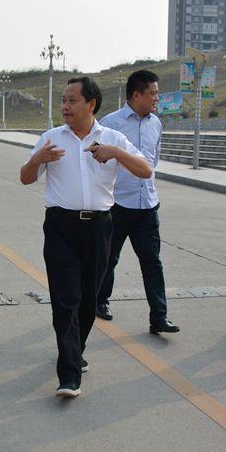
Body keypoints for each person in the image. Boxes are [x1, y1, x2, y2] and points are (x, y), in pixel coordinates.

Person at [19, 77, 152, 399]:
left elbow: (145, 170)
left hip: (99, 226)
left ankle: (75, 349)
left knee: (89, 298)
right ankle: (69, 374)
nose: (65, 106)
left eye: (72, 100)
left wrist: (115, 153)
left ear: (91, 104)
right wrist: (37, 160)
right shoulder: (51, 138)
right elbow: (25, 178)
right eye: (63, 100)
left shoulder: (113, 138)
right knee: (65, 298)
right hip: (60, 226)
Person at [96, 70, 179, 334]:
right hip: (118, 204)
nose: (157, 98)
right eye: (153, 93)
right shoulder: (110, 123)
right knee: (109, 258)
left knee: (152, 262)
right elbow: (98, 161)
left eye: (157, 93)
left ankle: (159, 316)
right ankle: (100, 300)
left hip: (148, 205)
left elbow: (153, 161)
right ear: (136, 95)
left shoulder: (156, 124)